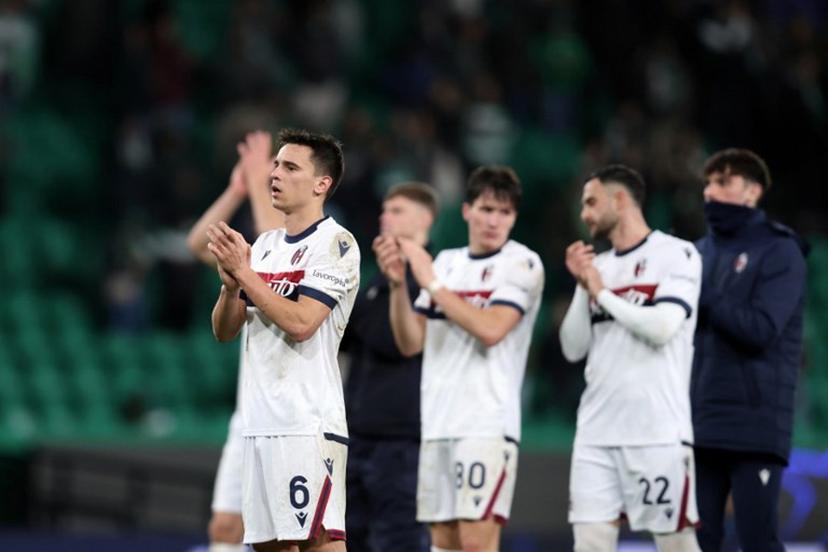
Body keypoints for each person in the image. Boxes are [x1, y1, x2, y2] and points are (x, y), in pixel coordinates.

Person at [374, 165, 545, 552]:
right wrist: (400, 285)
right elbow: (410, 342)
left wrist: (430, 282)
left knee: (475, 542)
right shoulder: (449, 262)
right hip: (437, 423)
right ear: (467, 210)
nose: (494, 221)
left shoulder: (522, 263)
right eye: (487, 209)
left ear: (515, 217)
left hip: (485, 425)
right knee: (444, 542)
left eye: (505, 212)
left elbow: (491, 329)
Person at [208, 128, 359, 552]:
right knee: (268, 546)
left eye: (290, 166)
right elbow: (224, 331)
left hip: (306, 424)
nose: (275, 173)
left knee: (318, 544)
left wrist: (248, 276)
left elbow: (302, 321)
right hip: (259, 425)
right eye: (275, 164)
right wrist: (228, 287)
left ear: (321, 183)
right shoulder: (267, 246)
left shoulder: (336, 243)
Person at [559, 164, 703, 551]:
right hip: (595, 432)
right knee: (589, 545)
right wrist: (583, 286)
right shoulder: (600, 267)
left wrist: (603, 294)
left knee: (676, 544)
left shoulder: (677, 254)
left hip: (656, 432)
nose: (584, 214)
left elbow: (662, 327)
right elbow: (572, 349)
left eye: (591, 202)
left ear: (619, 200)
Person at [690, 149, 807, 552]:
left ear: (753, 191)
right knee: (696, 542)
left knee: (757, 540)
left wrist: (704, 298)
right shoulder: (696, 253)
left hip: (753, 426)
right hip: (699, 422)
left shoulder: (780, 251)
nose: (710, 192)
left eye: (723, 182)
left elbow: (761, 329)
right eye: (708, 183)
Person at [187, 130, 284, 552]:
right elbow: (197, 243)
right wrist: (238, 188)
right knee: (225, 529)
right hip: (248, 415)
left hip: (289, 419)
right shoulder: (256, 255)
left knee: (280, 539)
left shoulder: (316, 247)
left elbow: (275, 242)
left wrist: (261, 179)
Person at [343, 182, 438, 552]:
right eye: (384, 210)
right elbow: (345, 340)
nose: (386, 216)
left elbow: (406, 345)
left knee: (399, 541)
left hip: (403, 437)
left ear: (425, 218)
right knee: (354, 541)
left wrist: (399, 285)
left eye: (397, 210)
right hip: (358, 434)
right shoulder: (375, 278)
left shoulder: (434, 273)